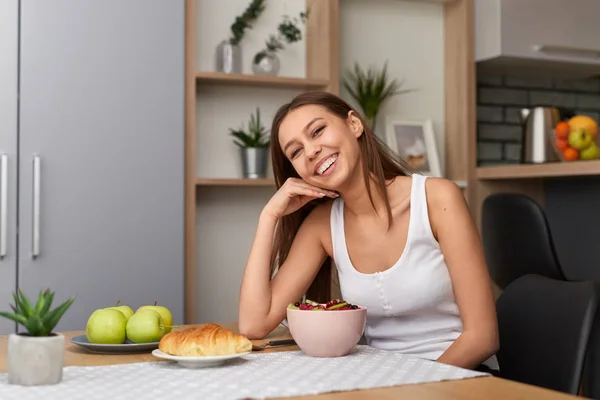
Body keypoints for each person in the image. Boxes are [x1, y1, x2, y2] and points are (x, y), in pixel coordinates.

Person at [238, 91, 500, 373]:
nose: (311, 151)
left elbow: (482, 337)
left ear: (354, 125)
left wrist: (416, 386)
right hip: (380, 379)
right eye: (296, 152)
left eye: (317, 131)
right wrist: (269, 216)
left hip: (458, 377)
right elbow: (255, 324)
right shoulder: (322, 225)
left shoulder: (437, 198)